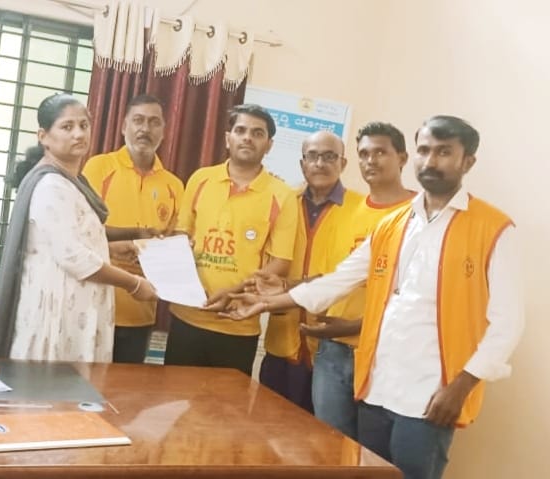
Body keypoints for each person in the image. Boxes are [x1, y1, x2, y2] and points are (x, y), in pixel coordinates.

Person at [222, 115, 524, 479]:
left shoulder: (493, 228)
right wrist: (266, 303)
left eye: (444, 152)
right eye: (425, 150)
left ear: (467, 161)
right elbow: (338, 281)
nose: (431, 161)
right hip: (376, 388)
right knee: (366, 473)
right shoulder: (393, 223)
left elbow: (507, 324)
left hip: (431, 395)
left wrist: (461, 386)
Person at [0, 93, 156, 362]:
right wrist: (133, 284)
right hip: (56, 315)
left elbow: (76, 236)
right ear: (43, 136)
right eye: (67, 127)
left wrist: (112, 247)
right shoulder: (51, 186)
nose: (79, 134)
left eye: (83, 125)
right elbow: (74, 256)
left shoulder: (71, 181)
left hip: (77, 311)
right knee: (53, 386)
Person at [164, 104, 299, 376]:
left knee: (227, 402)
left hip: (238, 324)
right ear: (228, 138)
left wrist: (234, 292)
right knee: (174, 397)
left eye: (257, 133)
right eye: (241, 130)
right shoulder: (201, 179)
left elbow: (281, 262)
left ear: (269, 145)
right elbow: (181, 235)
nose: (248, 137)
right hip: (187, 316)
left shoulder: (282, 195)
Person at [300, 122, 415, 437]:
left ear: (403, 158)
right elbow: (333, 278)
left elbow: (413, 299)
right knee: (328, 445)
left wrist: (354, 326)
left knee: (371, 452)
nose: (371, 161)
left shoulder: (417, 215)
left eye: (380, 152)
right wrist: (280, 290)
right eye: (364, 154)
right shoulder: (347, 210)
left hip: (384, 353)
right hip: (333, 352)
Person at [258, 130, 364, 413]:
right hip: (283, 339)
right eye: (313, 156)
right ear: (302, 163)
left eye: (329, 157)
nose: (320, 163)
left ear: (343, 163)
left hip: (336, 345)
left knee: (324, 433)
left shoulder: (361, 209)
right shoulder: (283, 202)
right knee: (268, 425)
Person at [83, 94, 184, 364]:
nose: (145, 129)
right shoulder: (98, 167)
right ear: (123, 126)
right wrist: (116, 245)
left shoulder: (174, 185)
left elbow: (171, 242)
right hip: (94, 304)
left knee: (126, 388)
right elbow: (80, 231)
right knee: (83, 385)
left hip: (141, 311)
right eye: (138, 120)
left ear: (164, 131)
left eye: (154, 122)